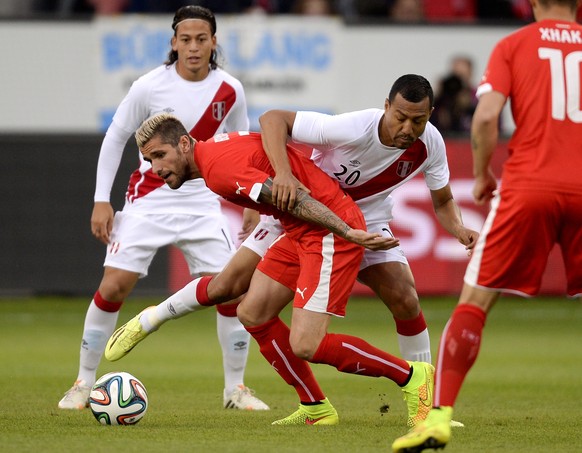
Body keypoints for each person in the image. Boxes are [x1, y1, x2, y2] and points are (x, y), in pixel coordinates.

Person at [107, 111, 435, 429]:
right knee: (252, 312)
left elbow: (293, 199)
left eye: (159, 155)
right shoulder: (216, 150)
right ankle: (315, 408)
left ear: (183, 144)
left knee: (307, 343)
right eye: (149, 161)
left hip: (327, 231)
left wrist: (345, 230)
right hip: (299, 230)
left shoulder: (219, 169)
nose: (156, 168)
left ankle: (411, 376)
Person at [58, 5, 269, 412]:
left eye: (201, 39)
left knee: (230, 291)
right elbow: (115, 137)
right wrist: (102, 199)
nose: (193, 47)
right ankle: (83, 382)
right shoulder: (148, 86)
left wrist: (249, 202)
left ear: (214, 42)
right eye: (185, 39)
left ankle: (236, 389)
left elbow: (243, 144)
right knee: (113, 287)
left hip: (204, 202)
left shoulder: (230, 90)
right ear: (173, 43)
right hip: (148, 200)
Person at [392, 0, 582, 451]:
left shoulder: (514, 45)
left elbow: (484, 116)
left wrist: (481, 174)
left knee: (474, 302)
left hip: (530, 185)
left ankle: (437, 419)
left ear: (533, 1)